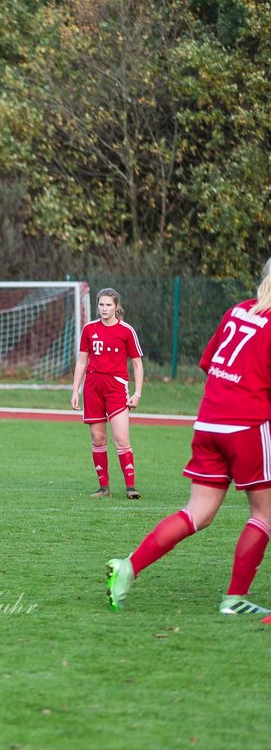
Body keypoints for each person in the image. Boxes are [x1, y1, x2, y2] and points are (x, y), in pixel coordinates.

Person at [106, 260, 271, 615]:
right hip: (248, 425)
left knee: (197, 512)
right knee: (264, 515)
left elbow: (209, 362)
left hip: (209, 422)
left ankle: (128, 568)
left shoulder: (237, 311)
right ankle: (234, 599)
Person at [70, 288, 144, 498]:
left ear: (116, 307)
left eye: (108, 305)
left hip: (116, 387)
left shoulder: (126, 331)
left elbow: (137, 364)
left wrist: (137, 393)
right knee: (98, 437)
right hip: (92, 386)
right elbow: (82, 361)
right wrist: (75, 390)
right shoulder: (89, 329)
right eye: (101, 304)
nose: (104, 308)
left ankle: (130, 487)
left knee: (121, 438)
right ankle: (104, 488)